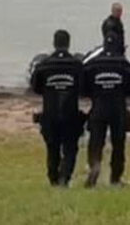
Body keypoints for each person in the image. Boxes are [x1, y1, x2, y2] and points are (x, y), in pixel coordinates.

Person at [28, 29, 84, 186]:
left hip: (50, 114)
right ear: (68, 44)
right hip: (71, 115)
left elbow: (36, 87)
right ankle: (64, 178)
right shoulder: (76, 65)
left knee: (52, 148)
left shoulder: (44, 65)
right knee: (70, 149)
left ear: (54, 43)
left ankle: (53, 178)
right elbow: (83, 88)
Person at [82, 31, 130, 187]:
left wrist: (95, 94)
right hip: (118, 108)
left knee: (95, 141)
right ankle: (115, 178)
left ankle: (94, 166)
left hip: (98, 107)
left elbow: (83, 86)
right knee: (118, 144)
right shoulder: (124, 64)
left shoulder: (93, 64)